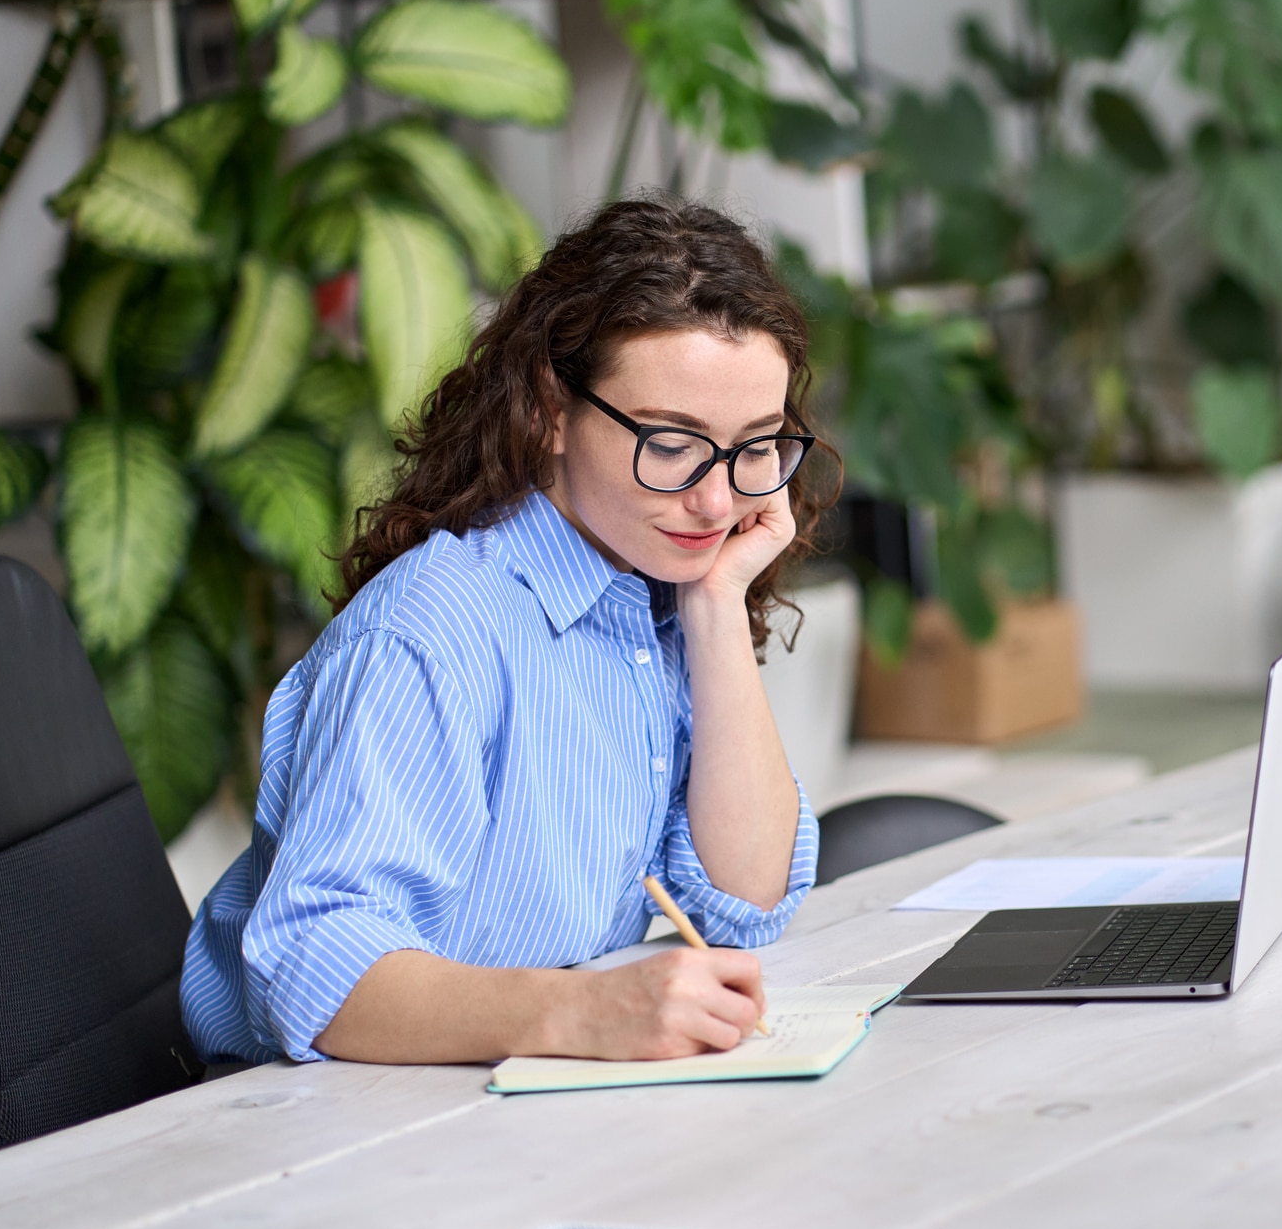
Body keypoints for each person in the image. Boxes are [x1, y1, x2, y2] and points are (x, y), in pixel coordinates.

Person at [180, 196, 833, 1067]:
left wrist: (715, 610)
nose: (717, 501)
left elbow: (745, 904)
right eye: (672, 444)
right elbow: (312, 969)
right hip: (333, 1127)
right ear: (549, 413)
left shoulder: (651, 588)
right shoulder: (433, 631)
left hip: (509, 1105)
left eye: (755, 446)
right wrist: (577, 1012)